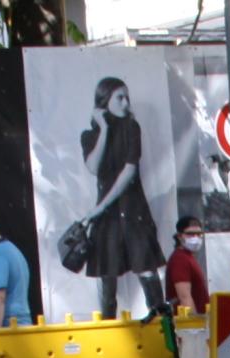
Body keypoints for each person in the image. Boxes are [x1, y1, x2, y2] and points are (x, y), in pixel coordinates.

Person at [77, 76, 168, 319]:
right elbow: (94, 167)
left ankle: (162, 326)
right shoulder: (89, 136)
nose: (126, 103)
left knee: (147, 271)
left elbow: (130, 172)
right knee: (108, 280)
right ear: (104, 100)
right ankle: (109, 333)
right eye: (120, 97)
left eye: (127, 97)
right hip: (108, 219)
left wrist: (99, 207)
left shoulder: (131, 127)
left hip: (132, 211)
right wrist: (104, 129)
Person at [166, 216, 210, 313]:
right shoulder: (180, 259)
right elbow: (184, 297)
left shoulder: (187, 257)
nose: (195, 238)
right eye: (190, 234)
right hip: (187, 324)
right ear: (179, 236)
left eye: (199, 234)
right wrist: (193, 324)